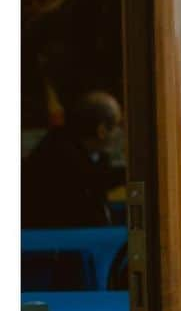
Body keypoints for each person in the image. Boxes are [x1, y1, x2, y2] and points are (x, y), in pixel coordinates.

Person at [22, 90, 125, 228]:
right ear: (102, 131)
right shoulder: (59, 154)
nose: (121, 132)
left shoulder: (92, 153)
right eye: (118, 126)